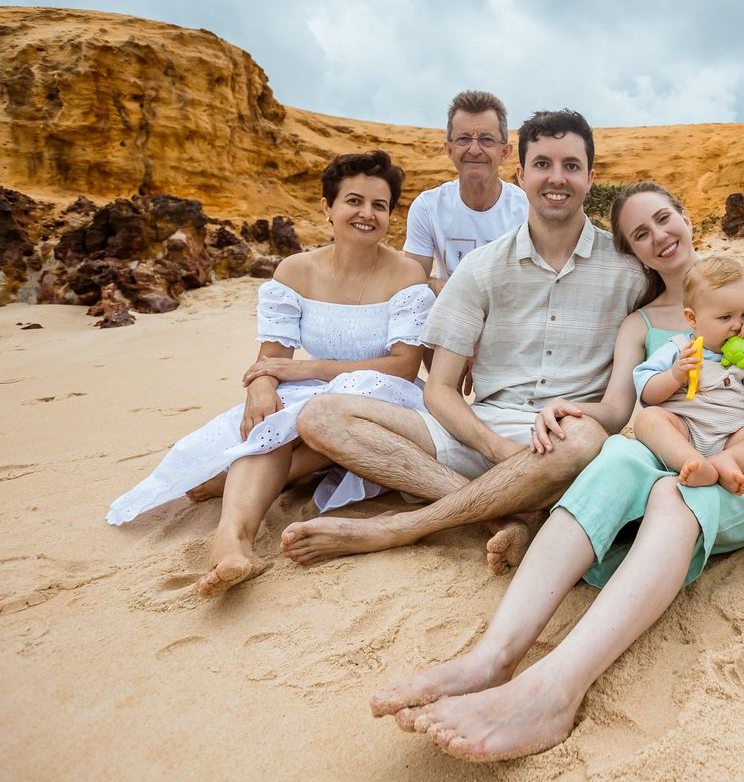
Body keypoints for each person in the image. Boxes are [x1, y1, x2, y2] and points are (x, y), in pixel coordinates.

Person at [369, 181, 744, 762]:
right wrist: (571, 411)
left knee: (673, 494)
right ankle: (493, 655)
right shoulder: (642, 323)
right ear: (633, 253)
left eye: (665, 219)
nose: (660, 237)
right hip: (678, 448)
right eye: (640, 234)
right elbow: (622, 410)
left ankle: (556, 687)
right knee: (621, 451)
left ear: (686, 217)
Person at [280, 110, 648, 575]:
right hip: (477, 433)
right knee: (322, 414)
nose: (557, 178)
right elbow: (440, 389)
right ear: (521, 174)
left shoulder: (630, 271)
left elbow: (691, 303)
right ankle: (507, 515)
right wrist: (494, 448)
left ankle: (401, 526)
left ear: (591, 177)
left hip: (563, 444)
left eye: (571, 166)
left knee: (585, 439)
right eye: (543, 164)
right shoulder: (479, 267)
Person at [105, 150, 433, 597]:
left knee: (308, 413)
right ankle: (232, 544)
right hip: (312, 395)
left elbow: (403, 365)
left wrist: (307, 368)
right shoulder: (295, 271)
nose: (367, 214)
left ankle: (250, 476)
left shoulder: (406, 274)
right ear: (327, 208)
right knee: (272, 420)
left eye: (380, 205)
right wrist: (261, 387)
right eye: (354, 201)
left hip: (385, 394)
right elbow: (271, 356)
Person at [633, 255, 744, 495]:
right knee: (648, 419)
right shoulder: (678, 349)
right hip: (685, 430)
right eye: (725, 317)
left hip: (733, 435)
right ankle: (692, 461)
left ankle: (726, 461)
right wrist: (674, 376)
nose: (738, 325)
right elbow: (647, 393)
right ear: (692, 318)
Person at [403, 90, 528, 295]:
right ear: (449, 149)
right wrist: (446, 289)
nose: (474, 150)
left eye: (487, 140)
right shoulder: (427, 207)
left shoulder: (527, 209)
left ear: (505, 152)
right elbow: (412, 281)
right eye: (463, 139)